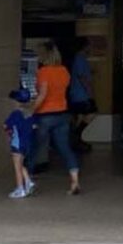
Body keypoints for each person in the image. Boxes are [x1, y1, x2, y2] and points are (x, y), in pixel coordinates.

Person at [27, 40, 81, 196]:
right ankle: (75, 181)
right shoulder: (64, 71)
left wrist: (31, 109)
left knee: (34, 149)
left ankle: (27, 181)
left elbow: (42, 95)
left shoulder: (44, 71)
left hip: (45, 115)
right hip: (63, 114)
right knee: (65, 148)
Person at [3, 92, 37, 200]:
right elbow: (34, 126)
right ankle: (28, 182)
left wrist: (9, 131)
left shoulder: (16, 114)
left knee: (17, 167)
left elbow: (5, 125)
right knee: (21, 164)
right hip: (27, 143)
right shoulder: (30, 114)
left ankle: (20, 189)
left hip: (17, 143)